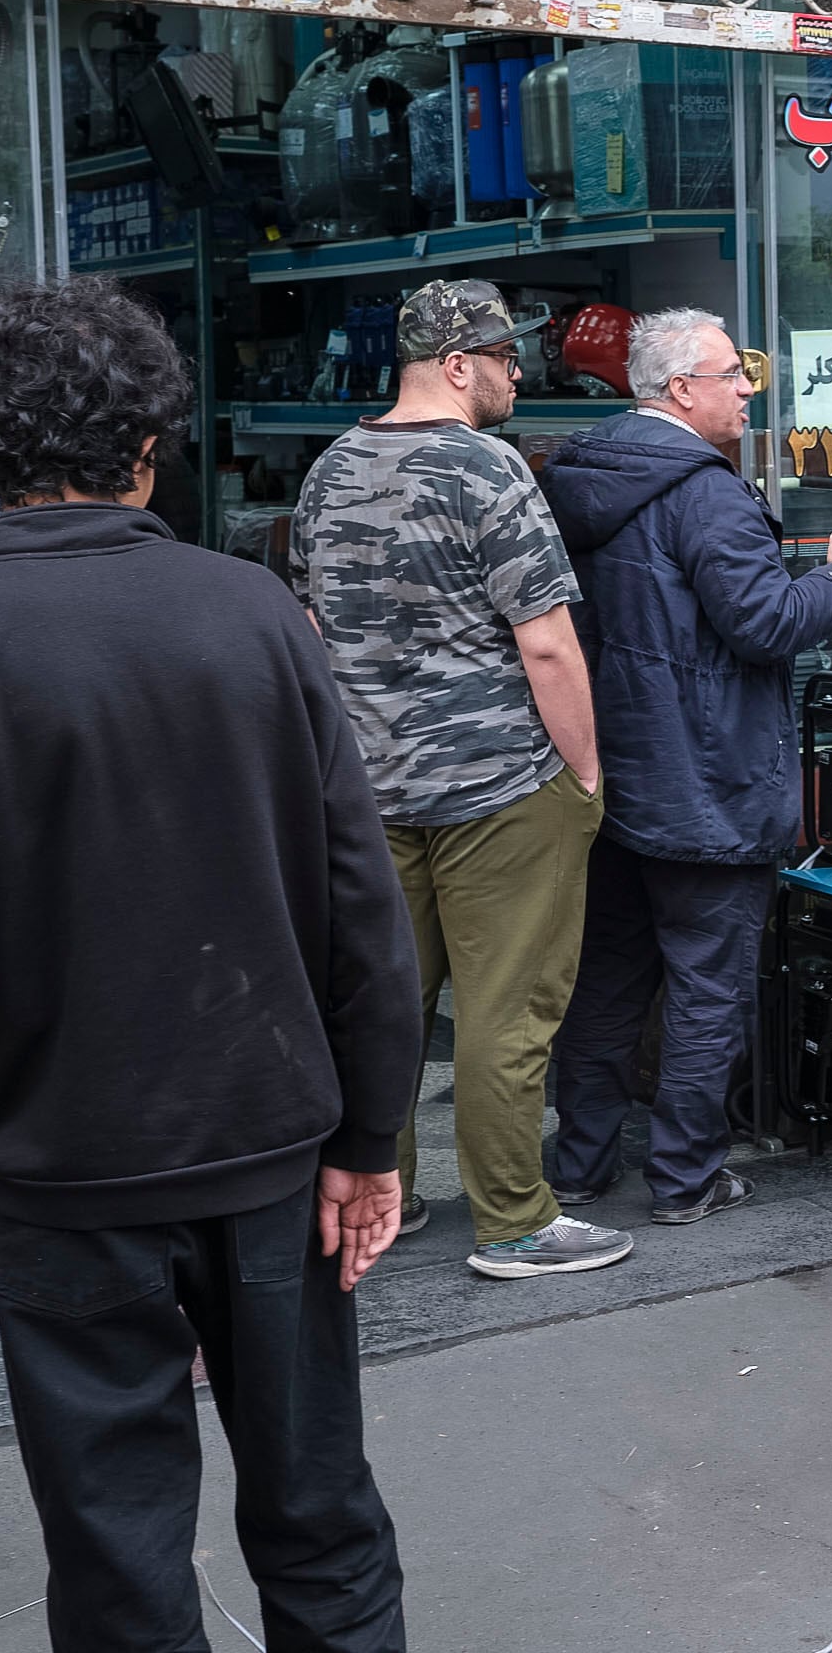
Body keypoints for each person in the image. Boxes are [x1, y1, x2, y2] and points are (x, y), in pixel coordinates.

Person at [0, 275, 422, 1645]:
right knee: (320, 1515)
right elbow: (364, 909)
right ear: (149, 445)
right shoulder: (254, 614)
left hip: (71, 1170)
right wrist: (371, 1134)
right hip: (275, 1147)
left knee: (117, 1552)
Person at [290, 277, 627, 1282]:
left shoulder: (330, 469)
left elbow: (312, 636)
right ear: (454, 364)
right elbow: (549, 646)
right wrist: (584, 772)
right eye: (505, 358)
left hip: (369, 786)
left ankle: (381, 1196)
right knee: (505, 1011)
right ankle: (516, 1221)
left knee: (384, 999)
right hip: (497, 786)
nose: (517, 374)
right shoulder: (488, 469)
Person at [536, 309, 832, 1226]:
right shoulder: (706, 492)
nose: (748, 388)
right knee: (705, 989)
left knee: (605, 983)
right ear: (681, 390)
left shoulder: (577, 476)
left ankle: (578, 1162)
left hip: (609, 780)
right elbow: (763, 622)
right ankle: (685, 1180)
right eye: (734, 372)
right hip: (706, 785)